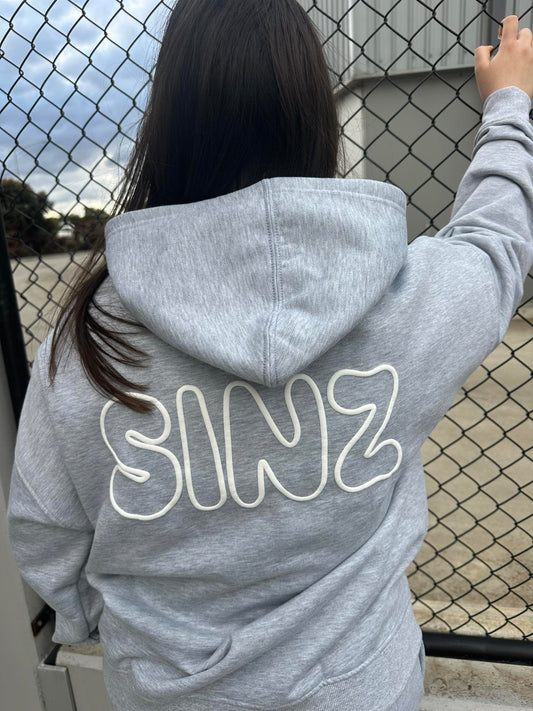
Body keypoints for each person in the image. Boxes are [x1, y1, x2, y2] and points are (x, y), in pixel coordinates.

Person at [6, 1, 533, 709]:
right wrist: (507, 105)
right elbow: (496, 247)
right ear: (316, 116)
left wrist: (117, 627)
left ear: (166, 124)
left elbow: (46, 529)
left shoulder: (87, 344)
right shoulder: (407, 304)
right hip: (363, 688)